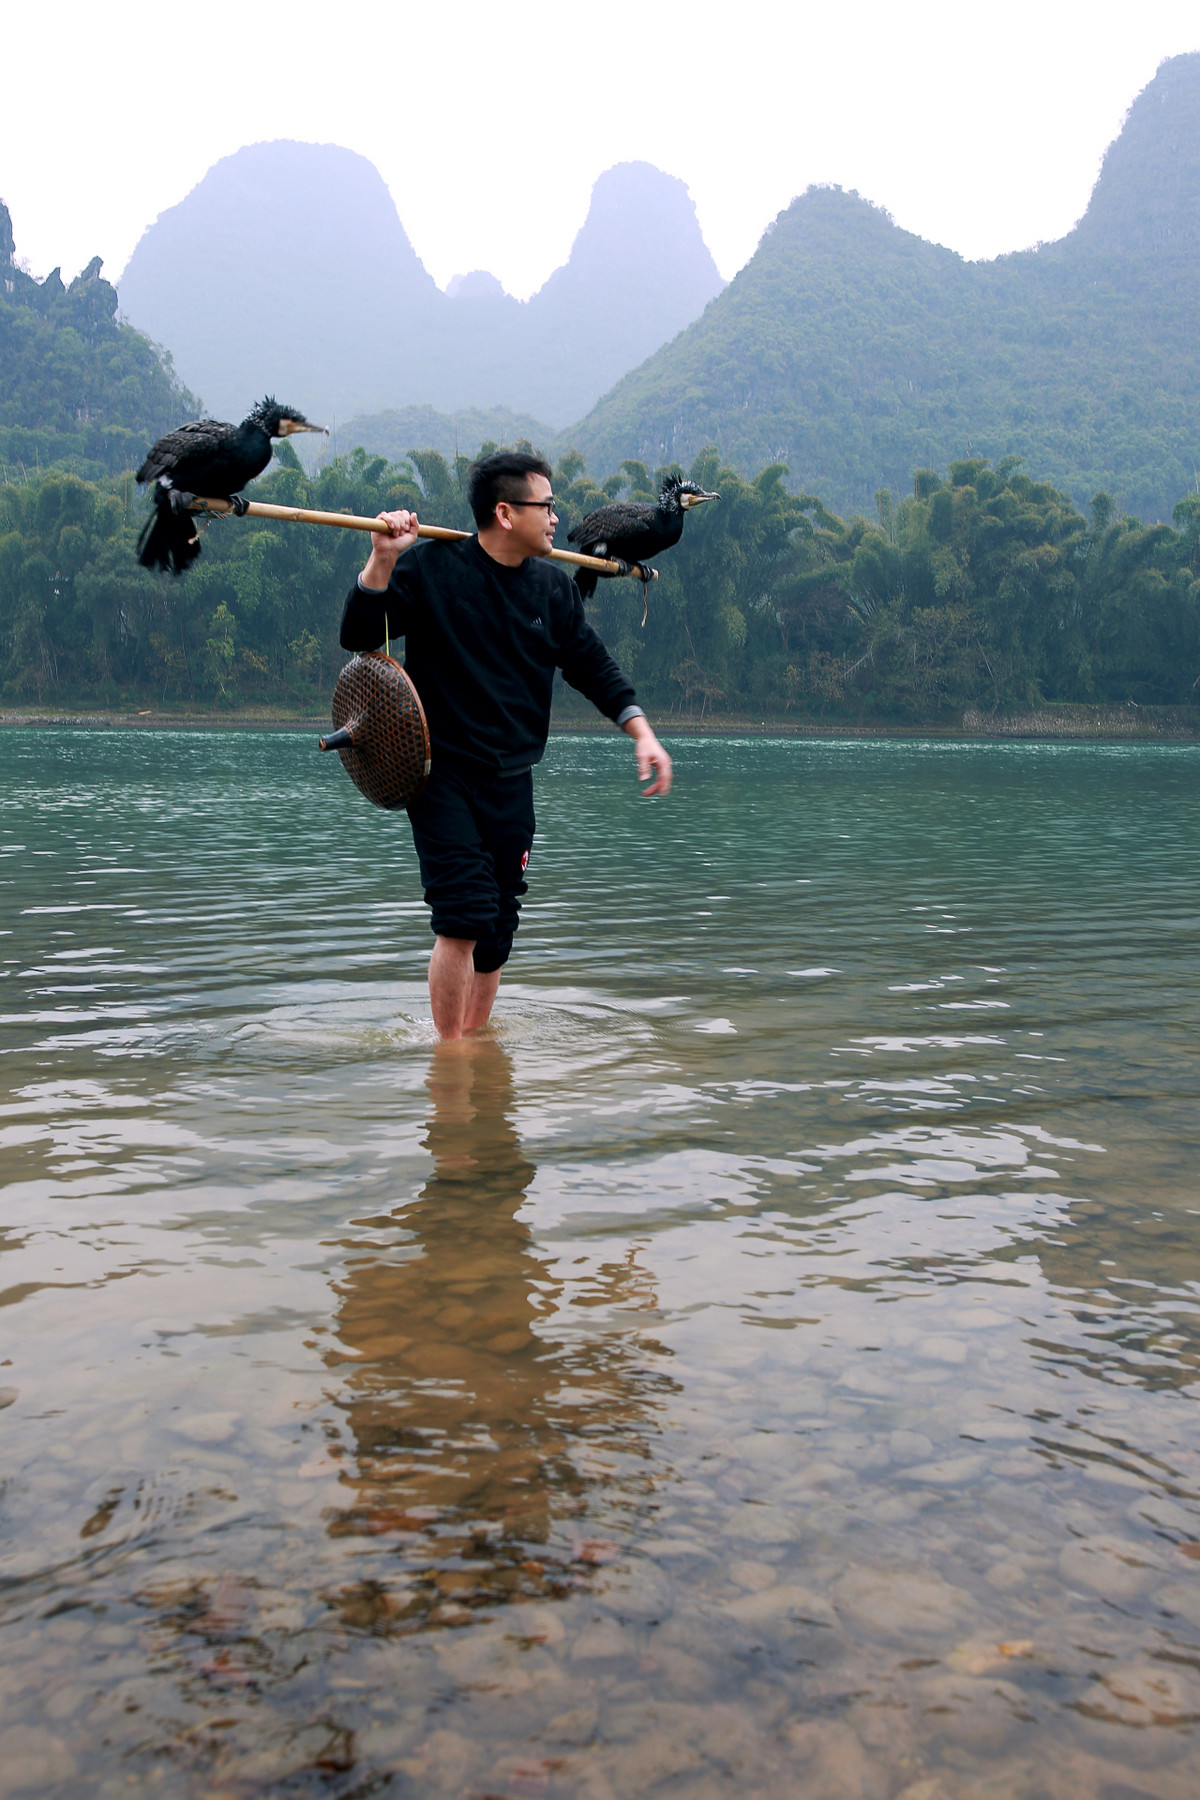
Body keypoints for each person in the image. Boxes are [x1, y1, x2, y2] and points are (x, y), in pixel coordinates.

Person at [339, 450, 672, 1041]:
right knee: (462, 916)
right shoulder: (434, 569)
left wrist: (641, 731)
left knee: (494, 931)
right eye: (545, 506)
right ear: (505, 512)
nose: (556, 519)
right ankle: (452, 1060)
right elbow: (360, 635)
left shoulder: (552, 590)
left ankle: (469, 1039)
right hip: (438, 775)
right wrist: (382, 560)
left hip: (512, 779)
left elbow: (593, 668)